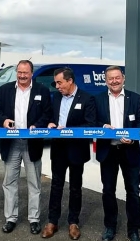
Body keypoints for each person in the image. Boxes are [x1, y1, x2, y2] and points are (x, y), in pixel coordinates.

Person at [0, 60, 53, 234]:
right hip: (11, 142)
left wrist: (37, 125)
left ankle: (34, 219)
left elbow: (47, 113)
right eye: (19, 72)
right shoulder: (5, 90)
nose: (22, 76)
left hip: (32, 142)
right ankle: (11, 218)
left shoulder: (42, 90)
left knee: (34, 183)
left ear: (31, 73)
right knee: (9, 182)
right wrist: (4, 120)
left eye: (25, 73)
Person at [42, 67, 97, 240]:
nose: (57, 86)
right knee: (56, 185)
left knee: (75, 187)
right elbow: (50, 116)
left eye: (60, 83)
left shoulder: (87, 98)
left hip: (76, 149)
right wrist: (50, 123)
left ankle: (73, 222)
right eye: (56, 83)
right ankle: (52, 221)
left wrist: (68, 130)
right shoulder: (56, 97)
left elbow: (90, 124)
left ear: (70, 81)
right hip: (58, 149)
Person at [96, 67, 140, 241]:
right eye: (110, 78)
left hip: (129, 150)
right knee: (108, 190)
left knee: (133, 191)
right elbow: (92, 122)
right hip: (108, 151)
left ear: (123, 78)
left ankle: (133, 229)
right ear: (105, 81)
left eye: (117, 77)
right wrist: (103, 127)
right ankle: (110, 226)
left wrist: (132, 138)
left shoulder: (135, 98)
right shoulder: (98, 99)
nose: (114, 81)